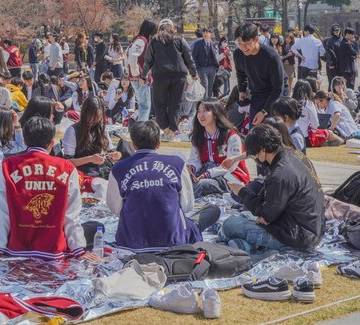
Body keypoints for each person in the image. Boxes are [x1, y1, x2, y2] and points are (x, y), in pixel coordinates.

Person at [0, 116, 100, 261]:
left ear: (24, 141)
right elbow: (71, 214)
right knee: (97, 226)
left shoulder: (7, 166)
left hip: (17, 251)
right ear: (52, 143)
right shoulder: (66, 168)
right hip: (54, 251)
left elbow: (2, 211)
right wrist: (79, 250)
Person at [106, 121, 220, 251]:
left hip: (131, 240)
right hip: (173, 240)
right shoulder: (177, 163)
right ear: (159, 144)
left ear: (134, 145)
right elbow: (187, 205)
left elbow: (115, 208)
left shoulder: (119, 169)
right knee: (212, 210)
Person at [219, 124, 325, 253]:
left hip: (295, 238)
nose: (255, 159)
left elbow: (266, 215)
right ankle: (246, 244)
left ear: (263, 150)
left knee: (229, 225)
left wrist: (241, 192)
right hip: (312, 228)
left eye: (255, 155)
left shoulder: (280, 175)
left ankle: (247, 245)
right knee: (244, 215)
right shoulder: (295, 155)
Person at [142, 18, 197, 142]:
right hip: (179, 74)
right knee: (176, 103)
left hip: (160, 75)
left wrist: (143, 76)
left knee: (159, 103)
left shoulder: (154, 40)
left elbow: (148, 61)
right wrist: (193, 73)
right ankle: (172, 131)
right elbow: (189, 57)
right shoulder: (180, 38)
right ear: (172, 27)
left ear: (159, 28)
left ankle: (166, 129)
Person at [187, 100, 249, 197]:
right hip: (206, 173)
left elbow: (230, 167)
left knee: (202, 185)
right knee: (185, 181)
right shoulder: (198, 136)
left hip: (230, 176)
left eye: (205, 111)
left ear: (216, 114)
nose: (201, 115)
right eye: (199, 111)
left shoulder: (231, 136)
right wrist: (190, 169)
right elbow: (195, 160)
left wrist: (207, 174)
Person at [234, 23, 284, 127]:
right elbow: (240, 73)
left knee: (272, 130)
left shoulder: (271, 56)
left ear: (256, 39)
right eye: (239, 43)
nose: (243, 47)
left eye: (247, 43)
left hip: (275, 94)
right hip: (256, 94)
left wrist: (264, 111)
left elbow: (278, 88)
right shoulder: (238, 54)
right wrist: (242, 90)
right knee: (254, 130)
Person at [63, 96, 121, 178]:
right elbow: (67, 162)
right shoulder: (72, 131)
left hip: (102, 172)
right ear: (85, 113)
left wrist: (115, 155)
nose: (97, 119)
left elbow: (110, 150)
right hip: (82, 175)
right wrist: (90, 159)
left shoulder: (101, 128)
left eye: (100, 116)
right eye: (93, 116)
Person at [292, 80, 343, 148]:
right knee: (328, 133)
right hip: (306, 138)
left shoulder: (289, 102)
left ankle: (323, 142)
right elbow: (315, 125)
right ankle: (343, 141)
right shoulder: (309, 104)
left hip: (290, 137)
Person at [127, 20, 157, 122]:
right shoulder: (141, 40)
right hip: (140, 78)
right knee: (145, 106)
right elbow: (132, 57)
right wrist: (138, 74)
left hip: (140, 77)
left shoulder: (140, 39)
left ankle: (140, 126)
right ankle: (141, 130)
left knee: (143, 105)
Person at [192, 27, 219, 99]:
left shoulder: (213, 44)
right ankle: (203, 103)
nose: (205, 34)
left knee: (210, 87)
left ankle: (209, 104)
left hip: (212, 68)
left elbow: (216, 56)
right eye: (204, 32)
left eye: (207, 32)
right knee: (205, 86)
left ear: (211, 34)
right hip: (202, 68)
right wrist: (198, 68)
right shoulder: (198, 43)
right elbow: (194, 56)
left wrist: (216, 67)